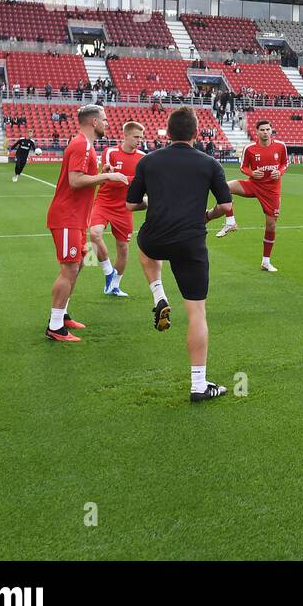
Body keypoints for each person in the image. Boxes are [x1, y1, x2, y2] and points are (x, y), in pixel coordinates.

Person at [125, 107, 234, 403]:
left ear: (168, 133)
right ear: (196, 134)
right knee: (197, 313)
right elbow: (226, 208)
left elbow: (131, 205)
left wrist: (158, 202)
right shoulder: (210, 163)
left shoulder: (148, 161)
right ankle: (199, 385)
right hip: (191, 242)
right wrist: (207, 216)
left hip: (155, 238)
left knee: (145, 250)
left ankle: (158, 293)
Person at [43, 105, 129, 342]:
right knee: (69, 267)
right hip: (67, 216)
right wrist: (107, 176)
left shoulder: (87, 146)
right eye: (104, 119)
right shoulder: (81, 144)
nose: (107, 123)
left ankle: (63, 314)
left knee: (78, 264)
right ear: (93, 122)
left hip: (77, 217)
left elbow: (84, 179)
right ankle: (55, 326)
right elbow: (75, 181)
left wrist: (102, 171)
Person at [216, 119, 288, 272]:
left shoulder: (280, 146)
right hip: (254, 185)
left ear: (271, 130)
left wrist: (279, 172)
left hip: (272, 191)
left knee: (271, 225)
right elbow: (243, 167)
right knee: (224, 187)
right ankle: (230, 221)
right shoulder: (250, 149)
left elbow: (285, 164)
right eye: (262, 130)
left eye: (268, 129)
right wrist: (251, 173)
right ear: (257, 131)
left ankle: (265, 262)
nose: (265, 132)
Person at [88, 121, 145, 298]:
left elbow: (140, 182)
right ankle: (108, 272)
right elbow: (107, 177)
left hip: (125, 206)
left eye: (141, 138)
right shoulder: (110, 152)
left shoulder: (143, 157)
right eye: (136, 137)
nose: (139, 141)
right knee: (94, 234)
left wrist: (121, 177)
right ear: (125, 135)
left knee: (123, 248)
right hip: (104, 202)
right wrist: (111, 174)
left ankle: (114, 286)